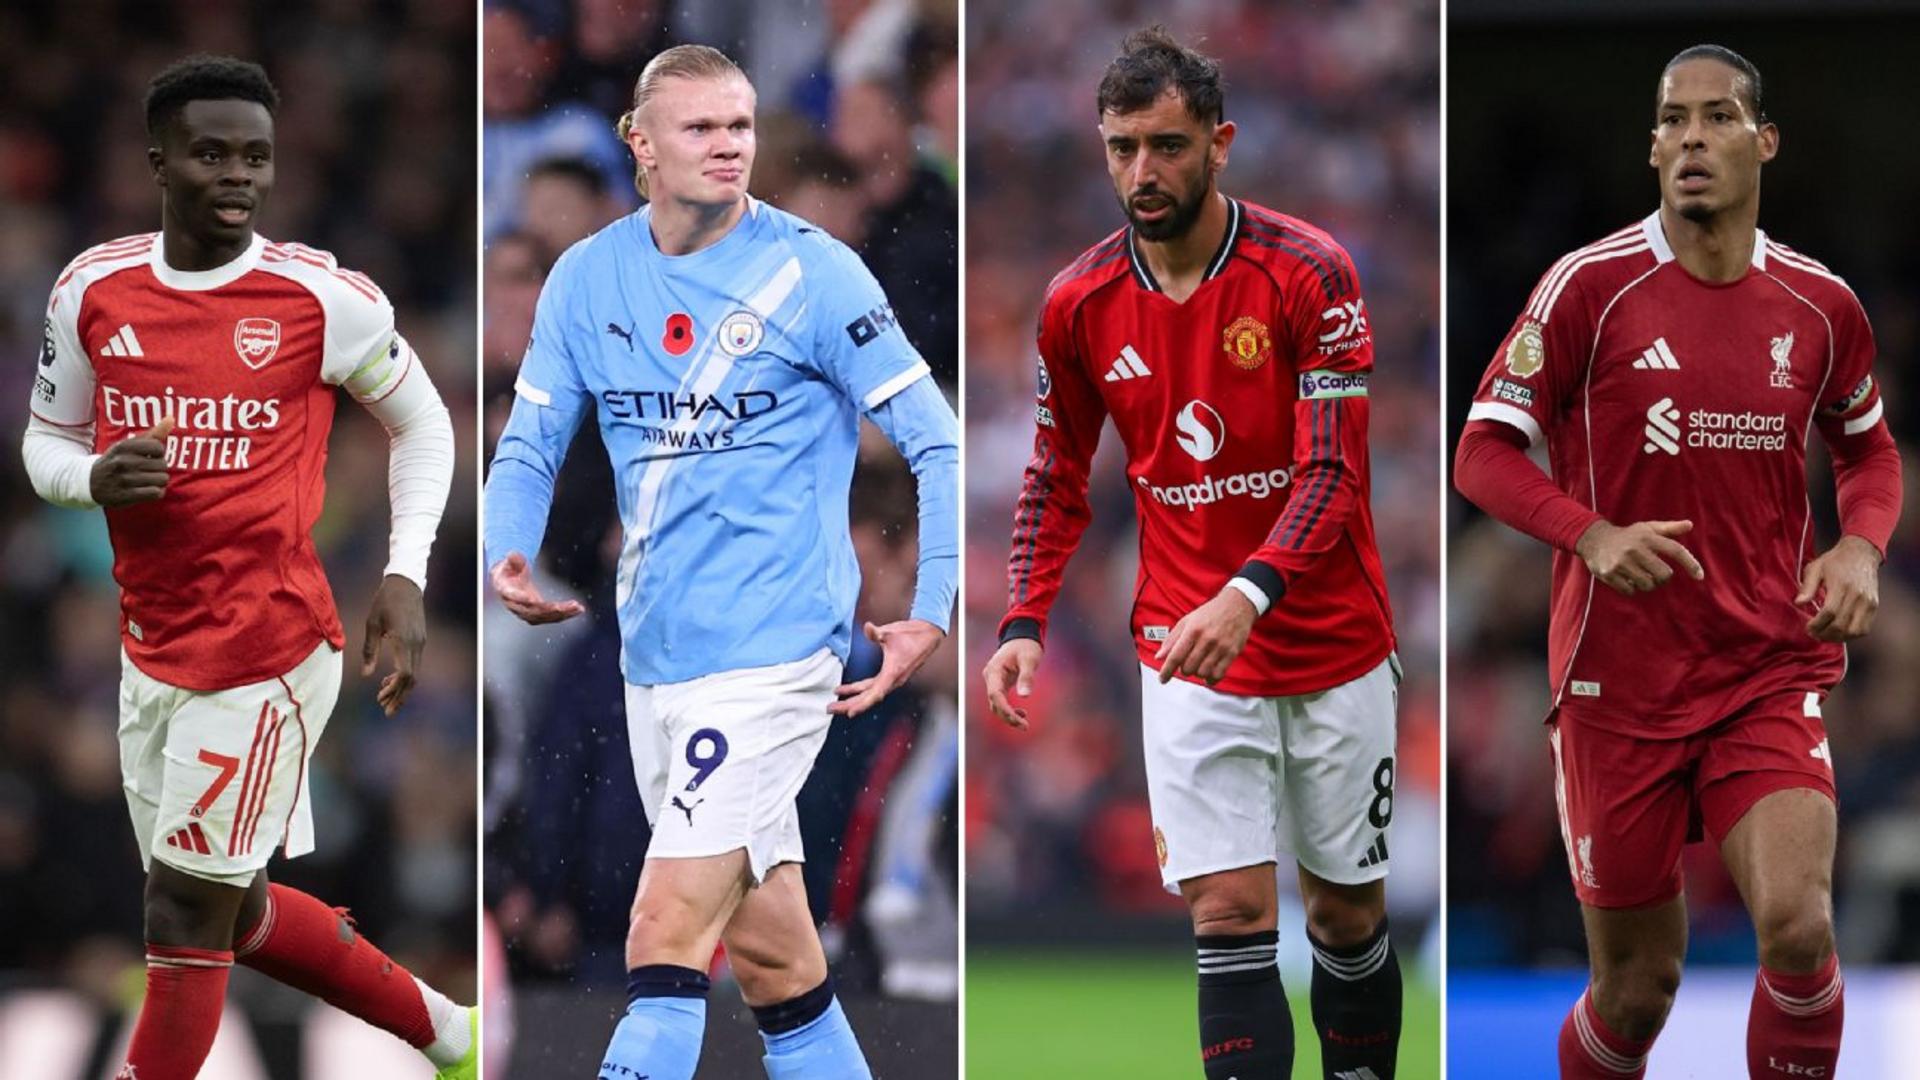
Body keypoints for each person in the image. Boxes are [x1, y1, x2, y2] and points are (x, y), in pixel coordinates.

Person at [483, 43, 958, 1080]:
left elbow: (937, 438)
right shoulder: (588, 277)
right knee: (778, 960)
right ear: (640, 143)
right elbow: (529, 443)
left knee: (663, 931)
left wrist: (933, 603)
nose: (728, 145)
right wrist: (504, 549)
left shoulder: (814, 273)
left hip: (775, 654)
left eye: (739, 125)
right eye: (700, 127)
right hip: (656, 659)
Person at [1453, 44, 1901, 1080]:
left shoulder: (1819, 305)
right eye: (1672, 120)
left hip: (1764, 664)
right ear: (1653, 148)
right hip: (1618, 683)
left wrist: (1860, 547)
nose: (1692, 137)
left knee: (1800, 930)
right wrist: (1590, 534)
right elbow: (1481, 452)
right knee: (1636, 988)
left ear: (1764, 141)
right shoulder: (1589, 286)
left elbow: (1869, 450)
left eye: (1718, 117)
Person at [19, 55, 471, 1079]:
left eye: (255, 158)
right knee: (234, 910)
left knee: (181, 914)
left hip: (269, 651)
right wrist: (91, 478)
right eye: (211, 154)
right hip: (152, 648)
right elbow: (45, 443)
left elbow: (424, 423)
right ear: (158, 161)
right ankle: (454, 1037)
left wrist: (404, 571)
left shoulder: (321, 297)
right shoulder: (91, 290)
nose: (237, 176)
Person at [981, 27, 1402, 1080]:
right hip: (1185, 646)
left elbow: (1333, 474)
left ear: (1220, 143)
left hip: (1332, 642)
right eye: (1121, 148)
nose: (1142, 172)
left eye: (1166, 146)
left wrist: (1247, 595)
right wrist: (1024, 616)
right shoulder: (1078, 302)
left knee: (1346, 916)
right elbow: (1054, 473)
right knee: (1227, 910)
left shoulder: (1308, 271)